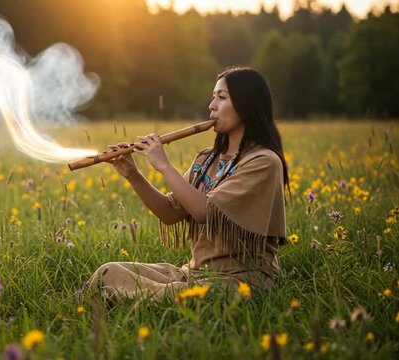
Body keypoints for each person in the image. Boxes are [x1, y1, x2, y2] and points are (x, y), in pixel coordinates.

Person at [84, 66, 291, 304]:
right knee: (108, 271)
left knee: (179, 295)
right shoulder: (207, 159)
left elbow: (205, 211)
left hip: (241, 280)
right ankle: (133, 296)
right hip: (194, 275)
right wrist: (133, 174)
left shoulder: (263, 162)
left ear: (246, 105)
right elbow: (170, 212)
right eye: (213, 97)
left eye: (222, 97)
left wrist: (164, 165)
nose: (212, 105)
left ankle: (131, 299)